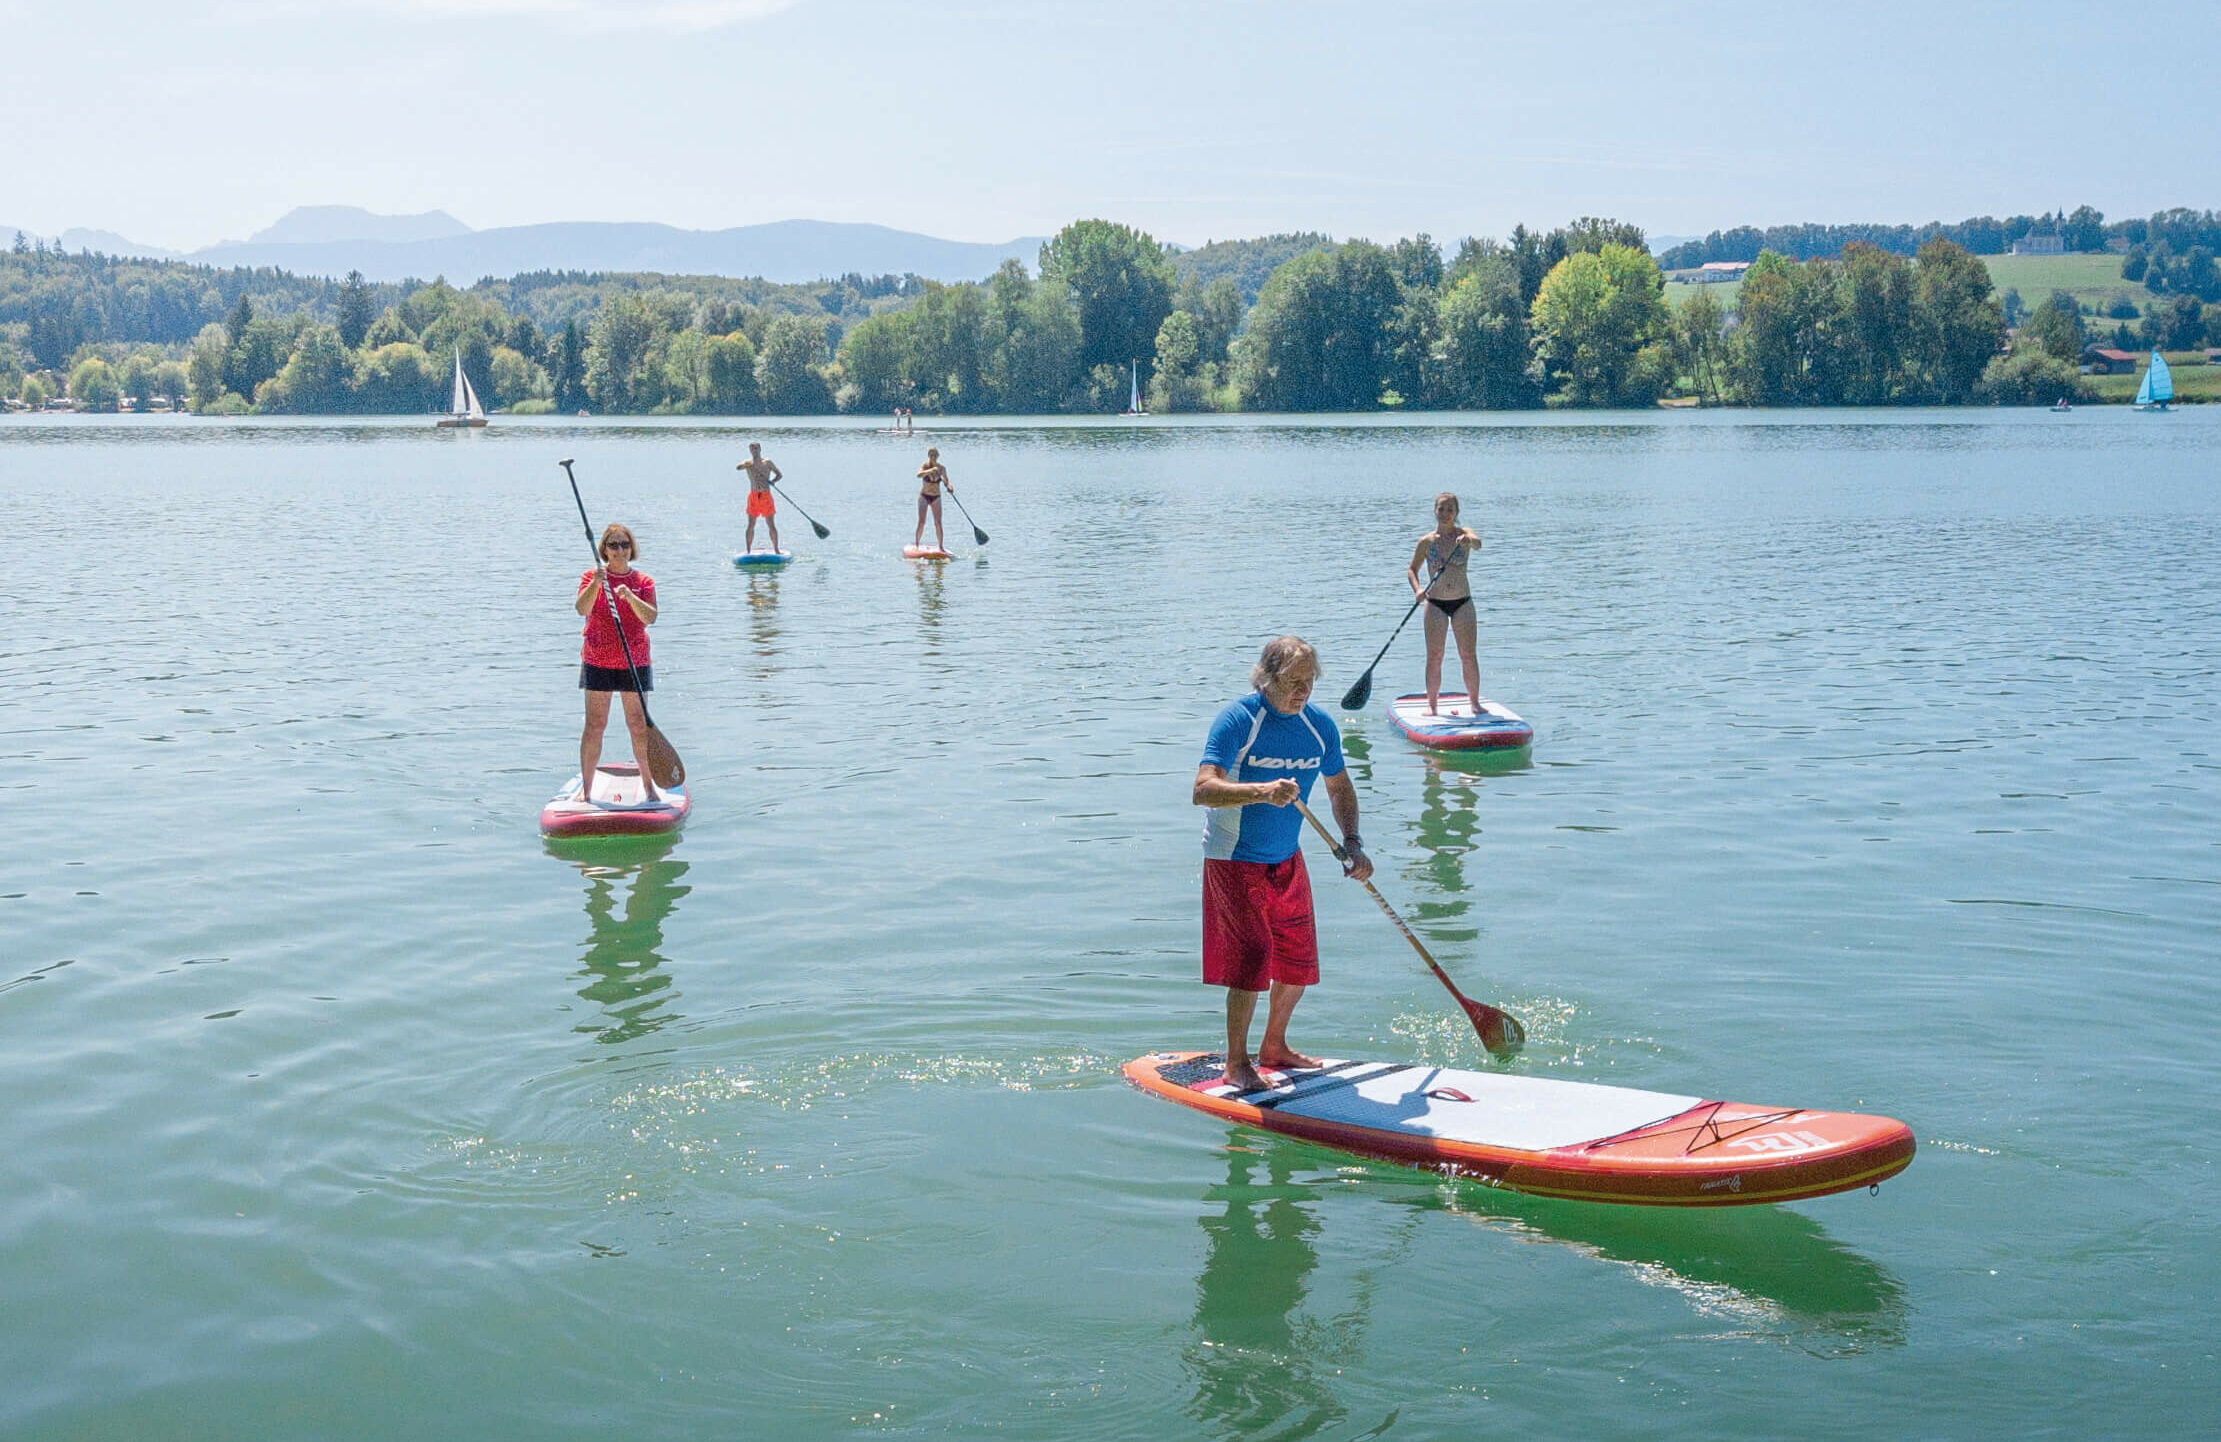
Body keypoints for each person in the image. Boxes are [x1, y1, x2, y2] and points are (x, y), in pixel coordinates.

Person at [1192, 636, 1372, 1092]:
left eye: (1310, 681)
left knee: (1298, 957)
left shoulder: (1319, 727)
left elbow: (1339, 788)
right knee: (1252, 958)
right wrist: (1261, 791)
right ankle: (1236, 1063)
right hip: (1234, 857)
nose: (1303, 691)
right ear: (1266, 678)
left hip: (1286, 857)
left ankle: (1274, 1046)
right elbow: (1203, 789)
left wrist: (1352, 841)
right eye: (1294, 682)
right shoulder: (1238, 720)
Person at [574, 522, 660, 802]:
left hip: (634, 661)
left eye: (625, 545)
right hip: (598, 659)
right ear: (605, 550)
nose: (620, 550)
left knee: (637, 724)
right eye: (614, 545)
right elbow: (581, 609)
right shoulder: (591, 577)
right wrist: (598, 584)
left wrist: (630, 596)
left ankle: (649, 787)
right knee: (595, 724)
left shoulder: (644, 582)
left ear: (631, 548)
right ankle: (586, 792)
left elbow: (650, 617)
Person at [1406, 491, 1482, 716]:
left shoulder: (1465, 534)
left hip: (1463, 603)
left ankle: (1475, 703)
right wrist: (1418, 589)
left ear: (1456, 513)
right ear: (1434, 511)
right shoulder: (1426, 542)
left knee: (1468, 654)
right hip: (1435, 604)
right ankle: (1432, 706)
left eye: (1450, 509)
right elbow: (1412, 570)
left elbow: (1478, 544)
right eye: (1441, 509)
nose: (1445, 513)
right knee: (1435, 656)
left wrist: (1469, 540)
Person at [736, 442, 782, 554]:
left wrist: (773, 481)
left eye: (756, 448)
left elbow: (779, 475)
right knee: (751, 524)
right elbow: (738, 468)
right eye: (752, 449)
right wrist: (745, 465)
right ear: (750, 451)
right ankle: (748, 551)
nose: (754, 450)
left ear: (760, 449)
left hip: (766, 495)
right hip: (753, 496)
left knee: (771, 524)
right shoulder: (748, 463)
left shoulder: (767, 462)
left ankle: (776, 549)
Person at [915, 446, 951, 551]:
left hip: (936, 497)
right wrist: (930, 470)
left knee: (938, 522)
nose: (933, 457)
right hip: (924, 496)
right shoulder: (925, 466)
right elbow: (918, 475)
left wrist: (949, 486)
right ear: (928, 456)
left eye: (935, 455)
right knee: (922, 522)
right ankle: (917, 545)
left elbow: (946, 481)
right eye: (931, 455)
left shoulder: (942, 468)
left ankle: (940, 547)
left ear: (938, 456)